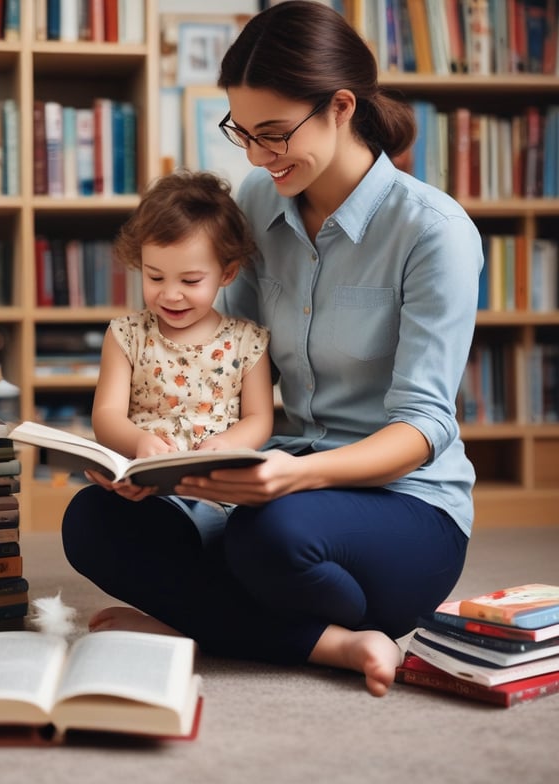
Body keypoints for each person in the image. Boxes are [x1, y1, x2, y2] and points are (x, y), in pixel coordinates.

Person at [62, 0, 484, 698]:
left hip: (405, 507)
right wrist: (160, 457)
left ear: (341, 107)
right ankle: (320, 641)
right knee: (97, 521)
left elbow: (424, 428)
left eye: (276, 133)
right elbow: (224, 359)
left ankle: (208, 620)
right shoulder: (260, 201)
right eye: (244, 133)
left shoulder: (432, 233)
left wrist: (297, 477)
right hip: (275, 478)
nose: (258, 156)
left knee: (272, 537)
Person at [90, 169, 274, 502]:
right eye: (156, 277)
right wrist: (138, 443)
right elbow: (106, 416)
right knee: (86, 512)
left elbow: (259, 418)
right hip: (143, 482)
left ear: (227, 273)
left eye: (190, 281)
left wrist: (227, 445)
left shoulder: (249, 342)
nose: (171, 295)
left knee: (251, 522)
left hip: (215, 483)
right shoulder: (126, 335)